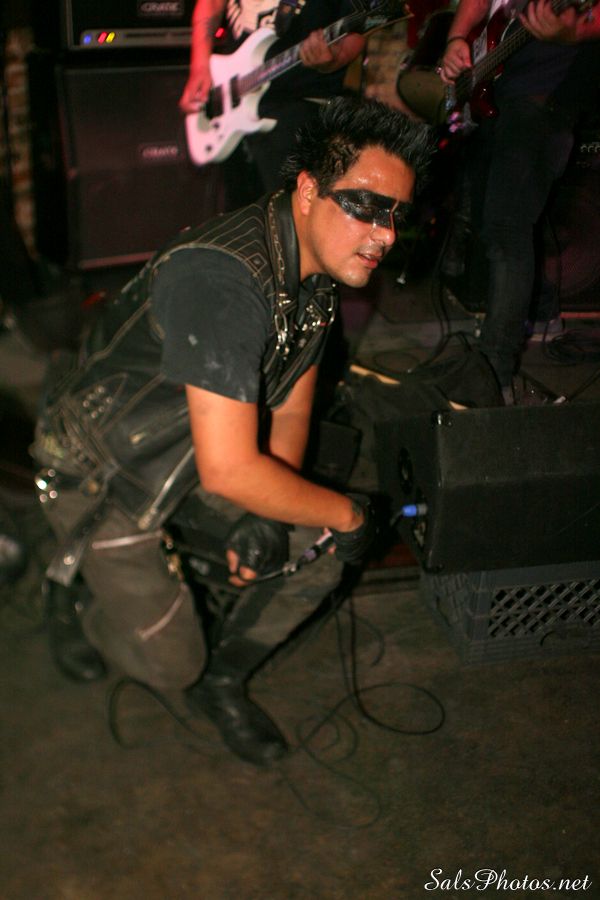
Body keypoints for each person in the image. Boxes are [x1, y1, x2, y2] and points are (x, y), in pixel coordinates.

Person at [33, 97, 432, 766]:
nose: (385, 234)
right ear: (308, 190)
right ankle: (74, 592)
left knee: (319, 546)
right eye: (366, 206)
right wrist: (347, 513)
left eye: (396, 214)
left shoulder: (315, 273)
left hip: (198, 449)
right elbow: (229, 471)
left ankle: (221, 682)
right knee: (173, 665)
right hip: (105, 471)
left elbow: (295, 407)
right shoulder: (223, 277)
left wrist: (271, 515)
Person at [440, 0, 600, 402]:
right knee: (496, 225)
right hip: (499, 97)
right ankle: (535, 316)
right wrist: (457, 38)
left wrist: (576, 32)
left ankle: (495, 371)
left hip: (545, 99)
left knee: (507, 229)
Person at [179, 0, 367, 200]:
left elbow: (357, 32)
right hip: (230, 103)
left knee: (289, 209)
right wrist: (200, 65)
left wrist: (333, 59)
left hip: (300, 110)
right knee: (237, 211)